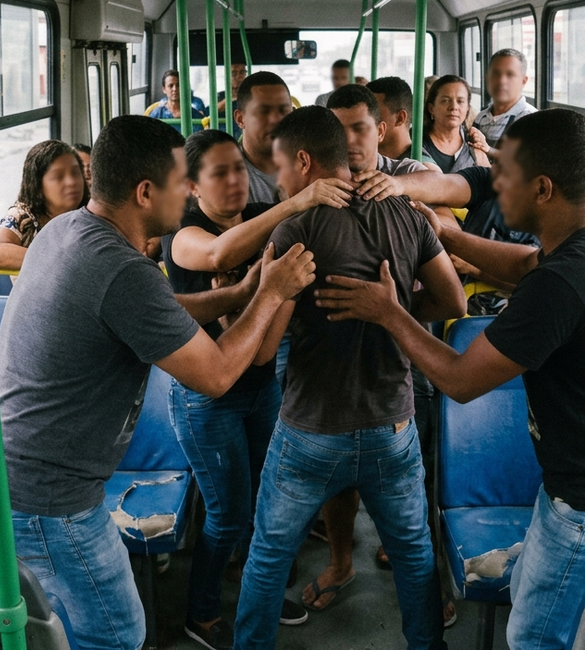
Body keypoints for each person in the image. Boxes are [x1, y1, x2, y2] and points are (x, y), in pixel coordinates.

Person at [0, 115, 317, 650]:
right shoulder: (124, 270)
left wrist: (238, 296)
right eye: (181, 183)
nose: (189, 193)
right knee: (118, 632)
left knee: (44, 611)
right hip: (43, 494)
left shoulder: (65, 231)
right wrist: (271, 294)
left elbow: (159, 310)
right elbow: (215, 375)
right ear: (146, 193)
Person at [331, 109, 585, 650]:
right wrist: (447, 237)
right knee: (536, 594)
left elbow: (459, 379)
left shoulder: (564, 286)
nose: (492, 186)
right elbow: (527, 264)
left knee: (535, 635)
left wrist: (389, 312)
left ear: (542, 189)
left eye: (504, 176)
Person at [231, 106, 464, 650]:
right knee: (413, 555)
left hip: (312, 427)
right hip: (391, 423)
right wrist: (397, 308)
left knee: (268, 556)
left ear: (305, 162)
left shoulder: (297, 225)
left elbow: (265, 350)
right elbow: (452, 300)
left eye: (283, 170)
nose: (282, 183)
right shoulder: (403, 209)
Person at [161, 129, 353, 650]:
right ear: (192, 188)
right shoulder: (184, 234)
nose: (235, 181)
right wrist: (297, 202)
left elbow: (264, 348)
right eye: (218, 173)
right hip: (207, 397)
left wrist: (262, 297)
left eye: (239, 169)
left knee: (263, 504)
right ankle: (199, 614)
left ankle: (252, 593)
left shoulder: (259, 225)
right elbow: (220, 254)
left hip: (261, 384)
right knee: (227, 516)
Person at [312, 83, 457, 627]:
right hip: (326, 362)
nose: (349, 142)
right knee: (338, 482)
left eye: (360, 128)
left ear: (382, 130)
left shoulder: (406, 177)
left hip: (398, 358)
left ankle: (419, 581)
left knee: (413, 481)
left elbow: (443, 188)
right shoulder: (311, 191)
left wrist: (391, 310)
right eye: (338, 131)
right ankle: (341, 560)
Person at [0, 139, 88, 271]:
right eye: (58, 176)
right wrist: (60, 261)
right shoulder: (24, 216)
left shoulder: (91, 212)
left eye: (76, 173)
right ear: (37, 186)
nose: (71, 182)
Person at [234, 72, 294, 204]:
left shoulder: (310, 166)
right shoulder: (227, 176)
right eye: (263, 112)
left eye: (283, 111)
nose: (275, 120)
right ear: (240, 119)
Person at [470, 49, 538, 155]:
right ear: (487, 78)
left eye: (510, 74)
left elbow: (528, 161)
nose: (501, 81)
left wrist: (488, 149)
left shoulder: (532, 119)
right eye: (496, 74)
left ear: (523, 81)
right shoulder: (481, 117)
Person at [422, 75, 489, 173]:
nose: (453, 107)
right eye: (445, 101)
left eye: (460, 101)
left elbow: (490, 181)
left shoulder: (473, 143)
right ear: (431, 108)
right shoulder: (417, 143)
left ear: (467, 108)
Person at [217, 63, 249, 139]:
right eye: (234, 73)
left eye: (242, 72)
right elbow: (211, 113)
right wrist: (231, 98)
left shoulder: (251, 95)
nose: (239, 77)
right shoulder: (220, 96)